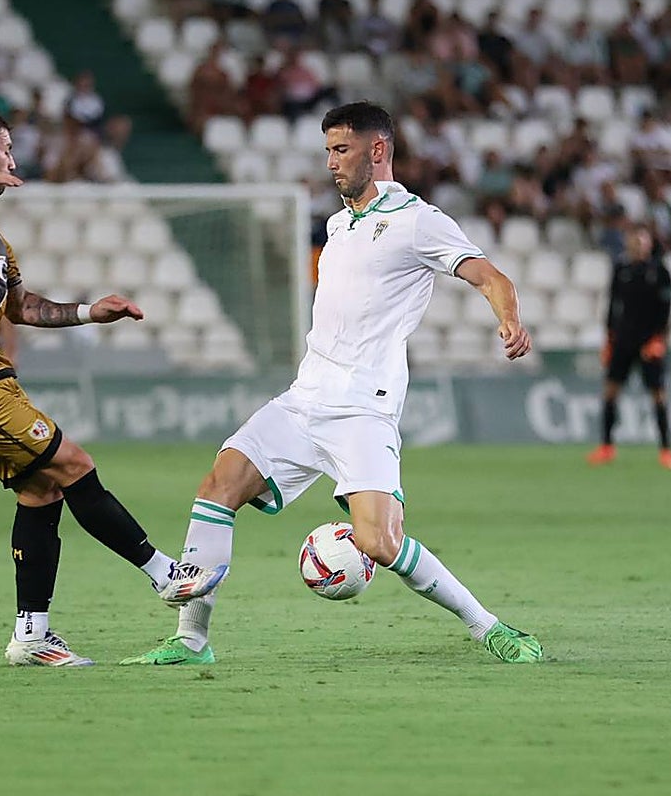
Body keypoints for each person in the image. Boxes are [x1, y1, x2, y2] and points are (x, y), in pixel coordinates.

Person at [121, 101, 544, 667]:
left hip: (364, 409)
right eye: (327, 151)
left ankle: (487, 626)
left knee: (379, 543)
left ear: (378, 150)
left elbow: (491, 275)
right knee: (219, 485)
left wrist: (509, 318)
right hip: (304, 398)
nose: (330, 163)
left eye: (341, 150)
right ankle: (191, 640)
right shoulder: (339, 223)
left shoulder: (419, 221)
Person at [0, 104, 226, 667]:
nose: (14, 162)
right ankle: (164, 574)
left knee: (43, 492)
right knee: (76, 464)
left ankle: (32, 636)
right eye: (8, 150)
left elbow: (23, 308)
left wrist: (91, 311)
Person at [587, 224, 671, 471]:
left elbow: (666, 310)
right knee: (610, 391)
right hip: (623, 340)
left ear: (649, 244)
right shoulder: (621, 270)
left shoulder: (660, 272)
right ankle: (606, 446)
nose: (638, 246)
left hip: (650, 342)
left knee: (658, 394)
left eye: (642, 241)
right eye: (634, 242)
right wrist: (608, 338)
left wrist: (659, 339)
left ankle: (666, 450)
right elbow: (612, 306)